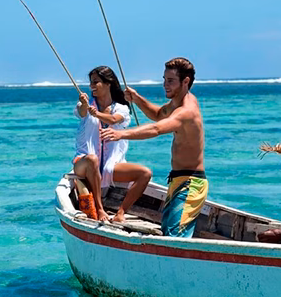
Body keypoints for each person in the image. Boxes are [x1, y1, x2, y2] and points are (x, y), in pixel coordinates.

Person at [101, 57, 207, 238]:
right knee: (169, 233)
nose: (165, 84)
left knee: (175, 238)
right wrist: (137, 99)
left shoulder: (187, 111)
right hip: (177, 181)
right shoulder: (177, 102)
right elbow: (158, 115)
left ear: (186, 81)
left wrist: (121, 134)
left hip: (191, 183)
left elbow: (157, 128)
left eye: (171, 81)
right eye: (164, 79)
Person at [73, 66, 152, 223]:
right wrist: (84, 104)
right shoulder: (87, 106)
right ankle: (100, 209)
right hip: (83, 163)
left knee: (145, 173)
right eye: (91, 83)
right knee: (92, 159)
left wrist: (98, 114)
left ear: (108, 83)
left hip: (112, 165)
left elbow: (115, 119)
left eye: (96, 82)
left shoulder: (121, 108)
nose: (92, 86)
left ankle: (121, 213)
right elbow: (82, 112)